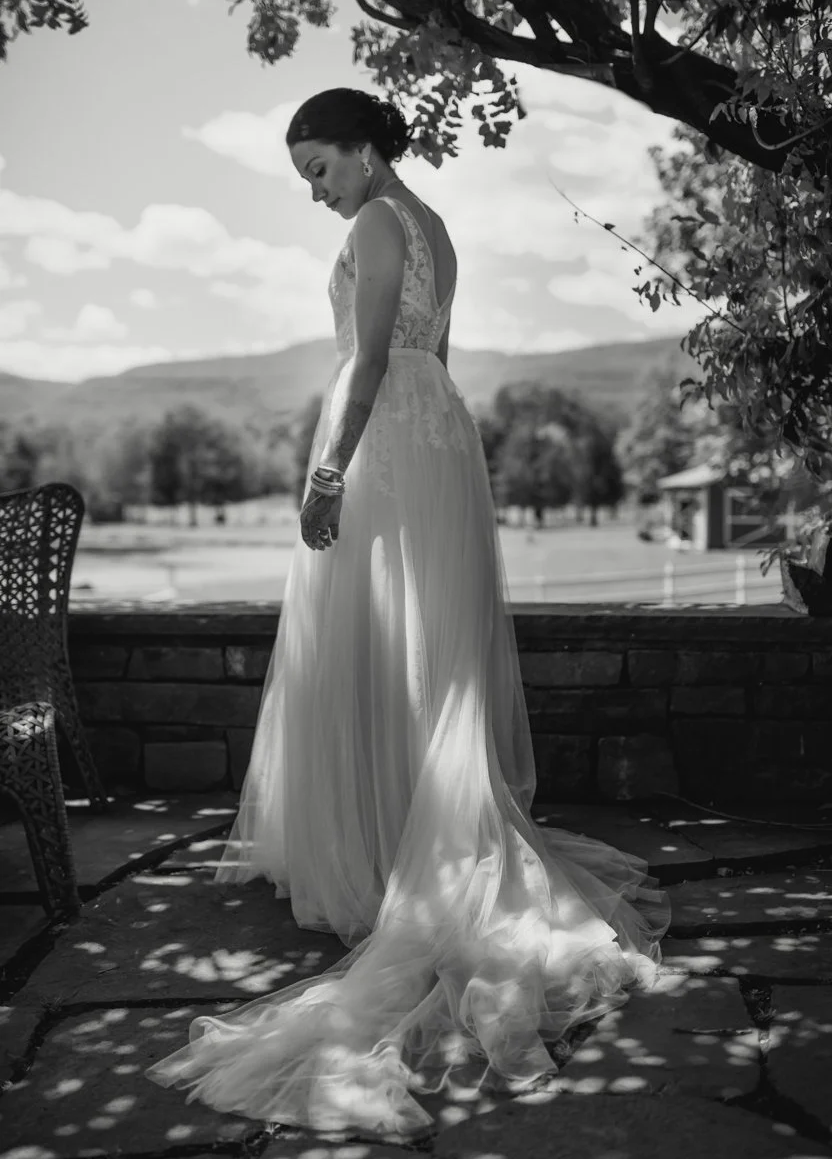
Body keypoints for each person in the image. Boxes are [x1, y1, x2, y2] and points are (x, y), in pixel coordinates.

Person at [145, 87, 670, 1140]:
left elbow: (368, 355)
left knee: (380, 646)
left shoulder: (383, 220)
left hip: (387, 436)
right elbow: (438, 354)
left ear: (364, 150)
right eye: (306, 177)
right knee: (424, 651)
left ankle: (384, 854)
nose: (315, 191)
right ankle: (400, 838)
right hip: (436, 436)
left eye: (320, 169)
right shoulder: (433, 225)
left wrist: (330, 464)